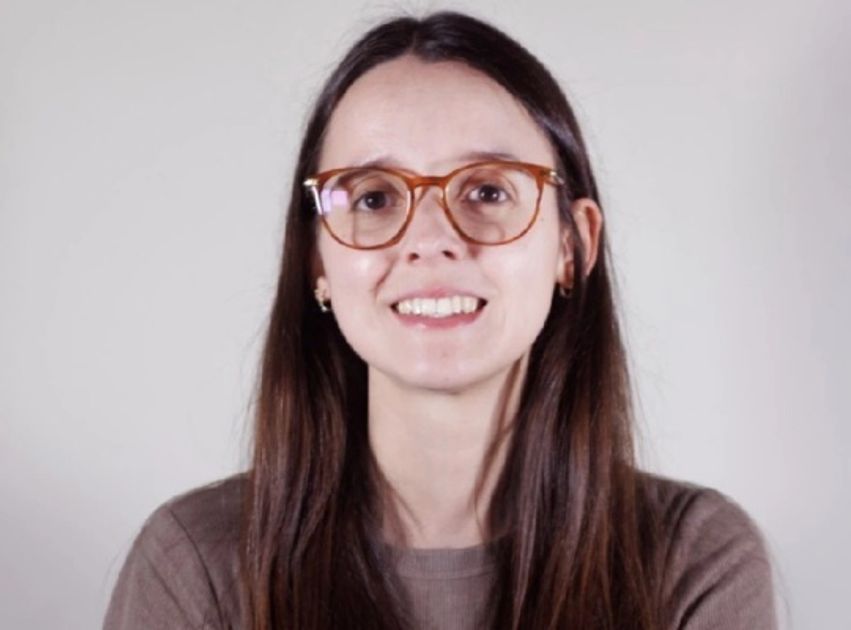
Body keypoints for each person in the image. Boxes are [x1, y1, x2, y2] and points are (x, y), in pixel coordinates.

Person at [103, 11, 778, 630]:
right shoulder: (192, 566)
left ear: (572, 246)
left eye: (486, 190)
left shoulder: (691, 559)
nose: (430, 240)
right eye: (373, 198)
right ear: (316, 259)